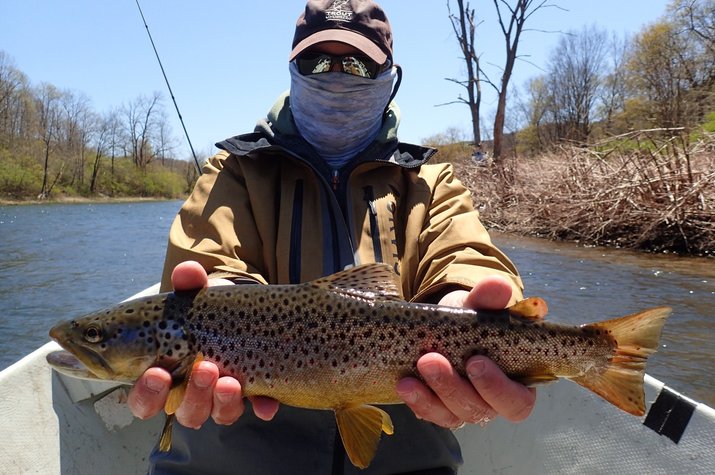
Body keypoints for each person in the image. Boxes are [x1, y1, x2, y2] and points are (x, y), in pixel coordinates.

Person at [128, 1, 536, 473]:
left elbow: (467, 255)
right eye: (317, 62)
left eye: (359, 64)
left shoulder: (429, 180)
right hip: (238, 454)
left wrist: (466, 302)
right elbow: (212, 263)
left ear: (390, 77)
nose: (336, 75)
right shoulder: (234, 170)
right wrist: (225, 317)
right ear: (292, 71)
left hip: (407, 451)